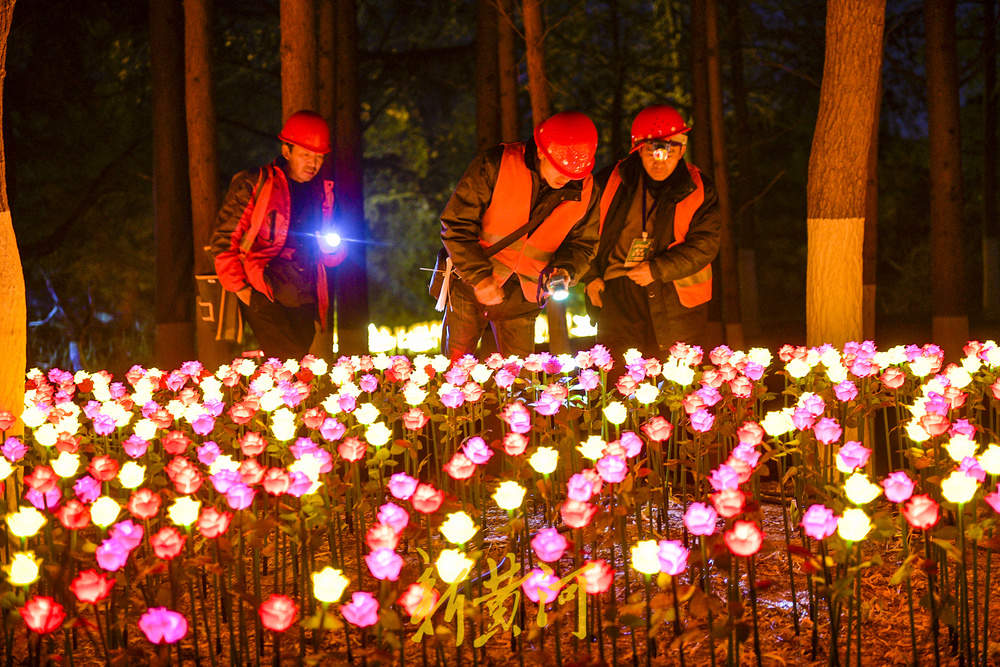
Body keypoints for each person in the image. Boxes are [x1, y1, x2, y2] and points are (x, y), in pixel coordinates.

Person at [436, 111, 601, 360]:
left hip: (525, 295)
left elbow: (584, 245)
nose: (565, 179)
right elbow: (456, 224)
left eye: (574, 175)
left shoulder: (587, 190)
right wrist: (480, 278)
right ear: (542, 152)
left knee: (520, 378)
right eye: (559, 169)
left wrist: (566, 269)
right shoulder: (496, 164)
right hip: (469, 284)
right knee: (456, 372)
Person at [584, 104, 720, 364]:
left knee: (676, 384)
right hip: (617, 295)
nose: (660, 160)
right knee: (618, 380)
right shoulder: (610, 180)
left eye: (669, 150)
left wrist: (656, 269)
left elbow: (706, 245)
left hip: (674, 298)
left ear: (682, 149)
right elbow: (581, 231)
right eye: (651, 150)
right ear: (637, 149)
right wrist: (590, 277)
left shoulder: (699, 187)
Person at [210, 110, 346, 362]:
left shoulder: (324, 193)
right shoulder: (255, 184)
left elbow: (335, 254)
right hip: (264, 290)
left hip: (306, 294)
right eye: (305, 154)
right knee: (291, 366)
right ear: (286, 151)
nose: (313, 163)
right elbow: (223, 240)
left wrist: (333, 249)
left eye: (318, 156)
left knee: (293, 369)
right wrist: (242, 289)